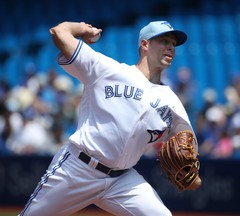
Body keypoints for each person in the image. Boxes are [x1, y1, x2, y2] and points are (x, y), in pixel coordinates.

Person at [19, 20, 199, 216]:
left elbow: (185, 138)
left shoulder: (170, 100)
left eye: (173, 44)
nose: (171, 47)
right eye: (164, 41)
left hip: (122, 182)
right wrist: (84, 29)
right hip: (77, 168)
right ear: (145, 44)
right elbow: (58, 32)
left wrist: (191, 176)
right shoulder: (107, 70)